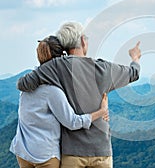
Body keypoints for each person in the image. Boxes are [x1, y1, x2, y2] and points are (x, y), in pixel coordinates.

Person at [17, 22, 141, 168]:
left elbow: (23, 84)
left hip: (72, 152)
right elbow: (134, 74)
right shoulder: (104, 68)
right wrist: (135, 58)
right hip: (101, 150)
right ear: (83, 40)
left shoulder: (55, 67)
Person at [10, 36, 109, 168]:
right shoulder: (52, 91)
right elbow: (73, 122)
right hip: (45, 156)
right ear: (60, 59)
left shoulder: (27, 85)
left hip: (22, 151)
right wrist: (101, 112)